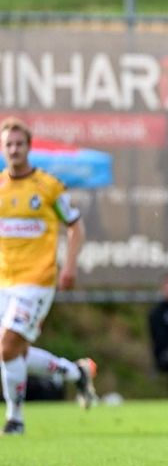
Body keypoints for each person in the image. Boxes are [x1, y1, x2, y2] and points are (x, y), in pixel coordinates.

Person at [0, 118, 95, 435]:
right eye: (8, 144)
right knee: (16, 352)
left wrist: (69, 266)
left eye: (19, 144)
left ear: (29, 146)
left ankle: (15, 418)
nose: (14, 149)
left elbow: (75, 226)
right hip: (4, 282)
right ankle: (76, 372)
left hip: (37, 281)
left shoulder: (48, 187)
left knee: (7, 347)